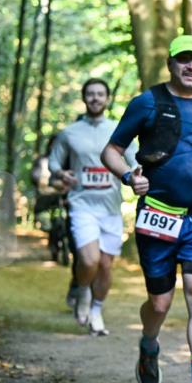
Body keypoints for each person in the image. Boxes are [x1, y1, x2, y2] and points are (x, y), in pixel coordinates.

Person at [102, 35, 192, 383]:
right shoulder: (148, 102)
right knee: (160, 302)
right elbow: (111, 150)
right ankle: (149, 343)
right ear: (170, 64)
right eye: (183, 60)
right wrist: (127, 178)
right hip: (157, 215)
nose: (191, 67)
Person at [49, 78, 134, 336]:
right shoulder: (69, 132)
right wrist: (62, 175)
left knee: (106, 266)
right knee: (88, 259)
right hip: (81, 205)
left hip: (110, 207)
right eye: (90, 94)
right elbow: (53, 165)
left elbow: (134, 161)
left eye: (100, 94)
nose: (95, 98)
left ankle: (97, 309)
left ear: (107, 98)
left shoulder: (119, 130)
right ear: (84, 98)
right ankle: (83, 291)